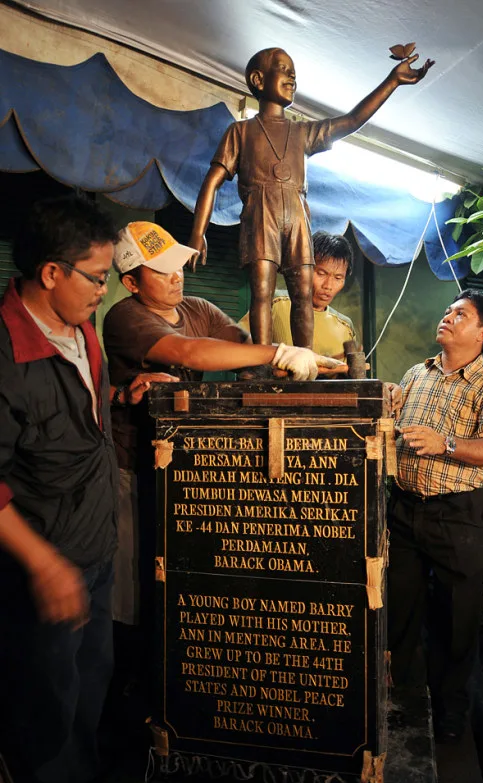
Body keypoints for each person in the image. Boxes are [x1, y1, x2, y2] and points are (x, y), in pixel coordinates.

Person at [103, 220, 342, 627]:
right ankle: (129, 676)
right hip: (131, 464)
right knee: (133, 582)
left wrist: (295, 365)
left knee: (179, 574)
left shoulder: (197, 309)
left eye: (177, 265)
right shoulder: (125, 318)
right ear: (131, 282)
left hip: (180, 465)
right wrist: (277, 353)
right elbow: (191, 353)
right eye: (161, 270)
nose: (176, 276)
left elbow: (243, 349)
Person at [0, 194, 125, 783]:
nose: (104, 291)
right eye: (97, 278)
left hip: (94, 547)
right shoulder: (5, 352)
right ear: (52, 272)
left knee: (89, 684)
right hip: (43, 566)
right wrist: (44, 565)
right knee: (43, 703)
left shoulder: (80, 329)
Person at [188, 45, 434, 349]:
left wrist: (392, 81)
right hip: (260, 213)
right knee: (262, 292)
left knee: (302, 293)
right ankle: (264, 360)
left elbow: (352, 120)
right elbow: (211, 181)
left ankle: (305, 360)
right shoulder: (240, 132)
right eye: (283, 68)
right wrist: (198, 233)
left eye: (294, 71)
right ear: (258, 79)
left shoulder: (302, 132)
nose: (292, 75)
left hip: (297, 215)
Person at [387, 289, 483, 750]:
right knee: (399, 614)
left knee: (456, 622)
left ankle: (450, 717)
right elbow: (397, 430)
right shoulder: (415, 374)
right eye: (447, 310)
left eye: (459, 314)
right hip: (403, 510)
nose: (447, 317)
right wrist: (388, 409)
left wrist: (445, 443)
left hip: (457, 516)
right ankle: (401, 703)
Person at [239, 230, 356, 358]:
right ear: (305, 269)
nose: (328, 286)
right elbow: (239, 347)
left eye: (338, 278)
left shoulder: (345, 327)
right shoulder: (275, 303)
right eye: (321, 274)